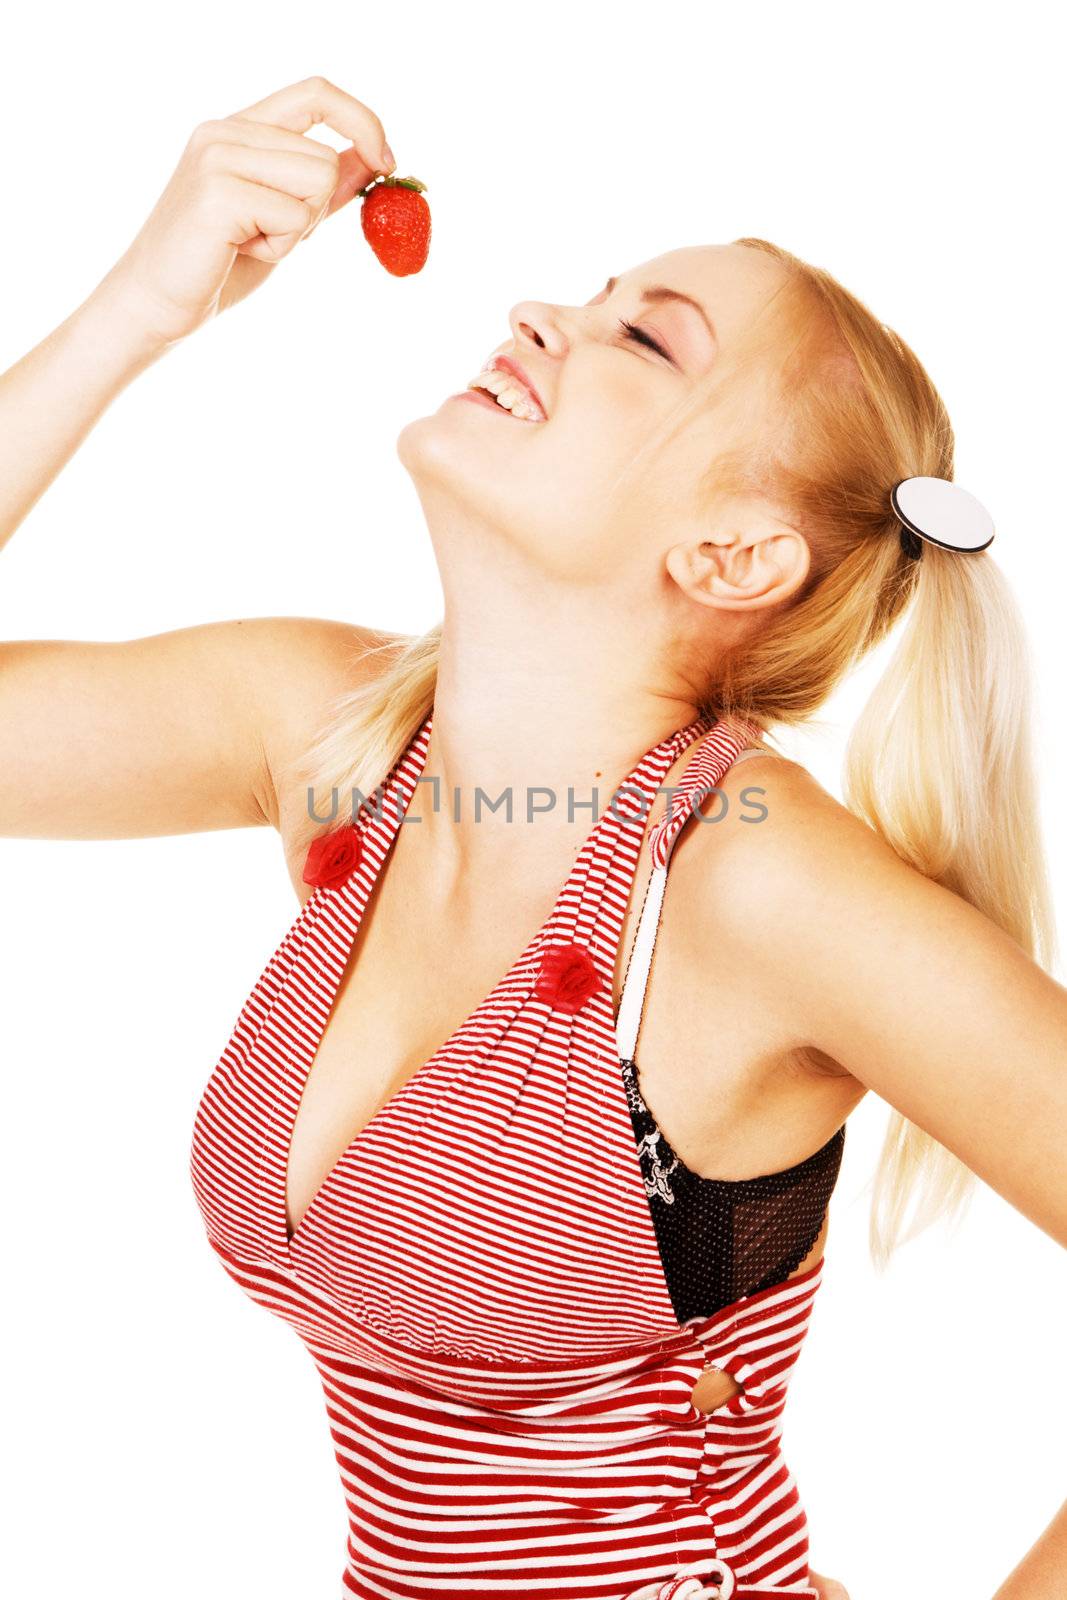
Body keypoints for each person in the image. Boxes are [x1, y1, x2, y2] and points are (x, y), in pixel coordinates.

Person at [1, 73, 1064, 1600]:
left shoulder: (747, 880)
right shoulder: (335, 743)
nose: (545, 313)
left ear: (733, 551)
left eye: (644, 335)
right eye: (597, 293)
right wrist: (138, 310)